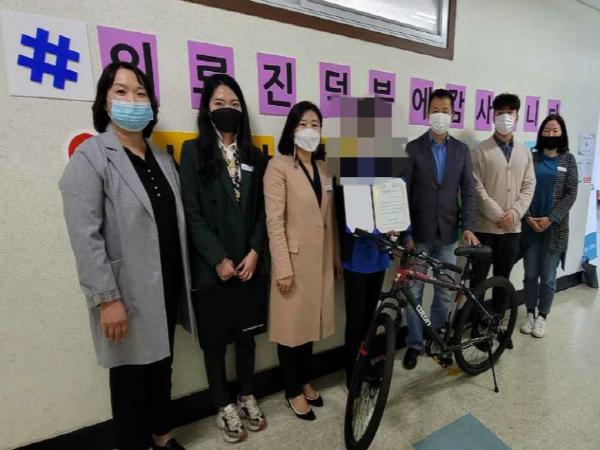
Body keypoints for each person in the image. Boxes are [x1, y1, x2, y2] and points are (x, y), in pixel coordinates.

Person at [59, 61, 193, 450]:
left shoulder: (162, 159)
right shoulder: (91, 156)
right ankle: (133, 443)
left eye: (140, 92)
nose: (132, 100)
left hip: (166, 284)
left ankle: (161, 434)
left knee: (162, 364)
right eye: (121, 91)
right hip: (125, 291)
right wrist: (106, 299)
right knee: (129, 374)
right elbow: (84, 235)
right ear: (104, 102)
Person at [180, 74, 268, 444]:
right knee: (215, 341)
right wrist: (218, 258)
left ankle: (246, 393)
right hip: (212, 266)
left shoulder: (253, 155)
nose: (227, 109)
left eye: (234, 104)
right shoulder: (192, 151)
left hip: (248, 263)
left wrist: (255, 251)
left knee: (247, 337)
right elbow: (192, 212)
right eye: (219, 103)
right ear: (206, 109)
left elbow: (263, 210)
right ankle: (222, 404)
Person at [264, 101, 342, 420]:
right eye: (303, 124)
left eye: (315, 125)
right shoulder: (278, 166)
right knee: (290, 329)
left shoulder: (324, 168)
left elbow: (330, 219)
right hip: (293, 263)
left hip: (319, 261)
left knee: (309, 326)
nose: (310, 130)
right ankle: (292, 390)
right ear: (291, 130)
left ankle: (305, 379)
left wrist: (335, 257)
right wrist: (282, 268)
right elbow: (274, 222)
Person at [400, 88, 478, 370]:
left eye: (445, 111)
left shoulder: (461, 151)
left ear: (453, 115)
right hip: (418, 235)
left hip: (448, 234)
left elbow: (468, 191)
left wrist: (468, 226)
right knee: (414, 292)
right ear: (426, 113)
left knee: (444, 292)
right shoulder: (413, 149)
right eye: (436, 110)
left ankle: (436, 339)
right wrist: (406, 234)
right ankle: (414, 343)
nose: (440, 115)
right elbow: (403, 193)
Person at [471, 93, 536, 348]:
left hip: (512, 231)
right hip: (485, 229)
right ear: (493, 116)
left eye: (510, 113)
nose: (505, 118)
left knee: (502, 279)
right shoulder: (480, 151)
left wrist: (515, 214)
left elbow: (529, 186)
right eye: (500, 113)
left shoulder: (524, 153)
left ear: (517, 116)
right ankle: (477, 329)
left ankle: (496, 327)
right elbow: (476, 189)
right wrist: (499, 215)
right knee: (478, 281)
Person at [520, 114, 578, 338]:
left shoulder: (568, 160)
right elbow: (522, 188)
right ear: (541, 133)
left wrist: (551, 218)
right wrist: (528, 217)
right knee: (530, 274)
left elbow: (571, 194)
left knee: (548, 277)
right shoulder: (531, 157)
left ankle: (542, 316)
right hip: (531, 226)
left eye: (555, 130)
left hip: (554, 229)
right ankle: (530, 313)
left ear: (562, 133)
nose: (551, 134)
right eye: (547, 130)